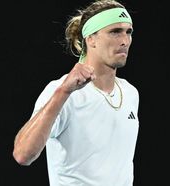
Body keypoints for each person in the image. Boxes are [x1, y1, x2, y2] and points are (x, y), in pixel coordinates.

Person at [12, 0, 139, 185]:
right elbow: (23, 154)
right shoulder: (62, 91)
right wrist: (63, 92)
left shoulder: (130, 93)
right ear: (91, 39)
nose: (125, 40)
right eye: (115, 32)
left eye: (129, 32)